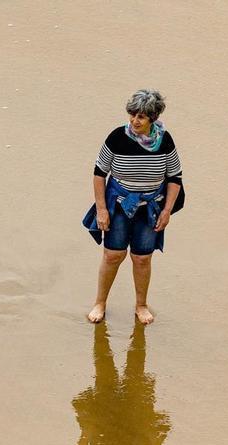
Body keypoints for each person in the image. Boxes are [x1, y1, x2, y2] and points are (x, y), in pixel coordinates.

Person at [84, 89, 183, 324]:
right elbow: (99, 173)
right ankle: (100, 303)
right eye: (132, 115)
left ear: (153, 118)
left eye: (141, 117)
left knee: (142, 258)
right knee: (113, 255)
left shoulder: (165, 141)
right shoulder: (116, 137)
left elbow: (175, 178)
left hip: (150, 207)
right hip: (118, 205)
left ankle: (141, 305)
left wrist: (167, 211)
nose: (134, 121)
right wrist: (101, 209)